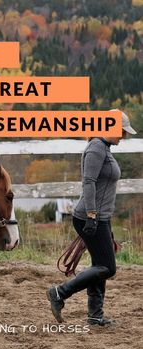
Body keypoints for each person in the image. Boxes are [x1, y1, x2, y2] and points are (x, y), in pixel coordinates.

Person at [47, 109, 137, 326]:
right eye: (122, 132)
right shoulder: (96, 148)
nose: (123, 137)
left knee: (100, 265)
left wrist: (99, 216)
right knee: (108, 267)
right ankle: (60, 293)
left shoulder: (104, 148)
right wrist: (91, 215)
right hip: (90, 216)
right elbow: (88, 182)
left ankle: (95, 315)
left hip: (100, 216)